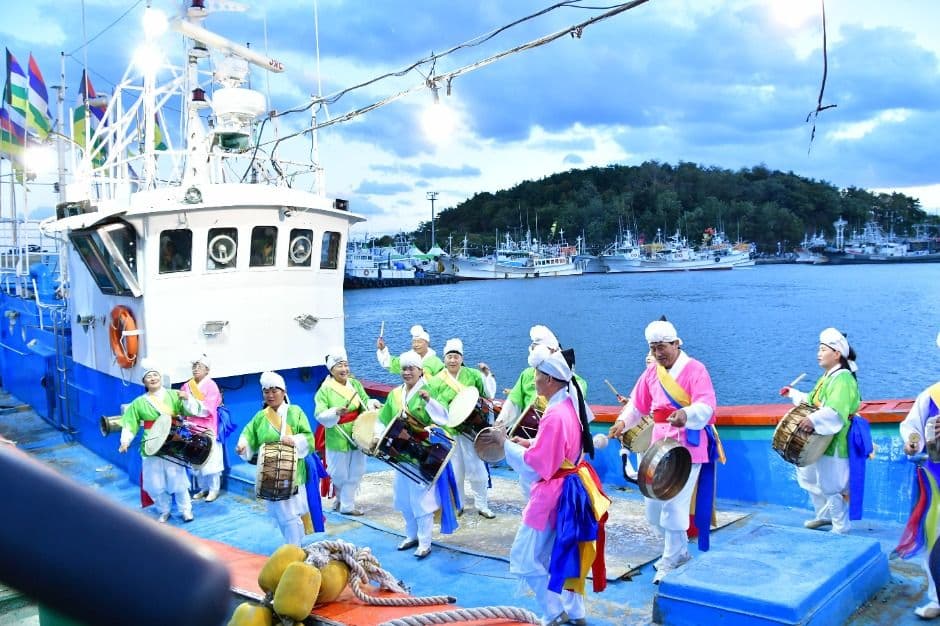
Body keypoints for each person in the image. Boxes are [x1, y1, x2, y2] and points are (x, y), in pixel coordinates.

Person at [504, 345, 609, 626]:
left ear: (549, 379)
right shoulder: (568, 406)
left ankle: (553, 611)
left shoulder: (553, 415)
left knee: (524, 557)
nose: (533, 379)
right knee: (561, 552)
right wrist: (530, 442)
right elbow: (559, 451)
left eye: (536, 375)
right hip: (571, 488)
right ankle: (575, 612)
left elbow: (538, 465)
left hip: (551, 495)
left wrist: (505, 446)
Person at [608, 319, 717, 584]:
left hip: (688, 449)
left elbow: (707, 406)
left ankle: (670, 559)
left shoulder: (695, 370)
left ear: (676, 344)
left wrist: (686, 414)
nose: (658, 353)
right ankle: (679, 552)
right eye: (653, 348)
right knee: (653, 507)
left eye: (663, 347)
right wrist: (623, 422)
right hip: (660, 449)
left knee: (673, 505)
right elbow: (637, 404)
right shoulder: (651, 373)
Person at [373, 350, 459, 559]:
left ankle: (425, 541)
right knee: (402, 496)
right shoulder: (395, 394)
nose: (407, 372)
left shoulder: (429, 391)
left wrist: (430, 401)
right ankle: (411, 535)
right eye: (404, 368)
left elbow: (444, 418)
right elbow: (383, 419)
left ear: (420, 371)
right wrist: (377, 435)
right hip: (399, 454)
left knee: (422, 499)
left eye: (411, 368)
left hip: (423, 453)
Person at [779, 327, 862, 536]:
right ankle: (824, 515)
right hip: (823, 437)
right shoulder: (828, 377)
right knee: (812, 478)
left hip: (837, 440)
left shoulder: (842, 379)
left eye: (823, 349)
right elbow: (812, 401)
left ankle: (841, 526)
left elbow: (835, 411)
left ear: (837, 354)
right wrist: (794, 394)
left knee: (833, 484)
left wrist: (813, 420)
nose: (819, 353)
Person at [235, 371, 319, 545]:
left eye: (275, 390)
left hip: (292, 471)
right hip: (270, 472)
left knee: (290, 513)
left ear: (284, 391)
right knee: (281, 514)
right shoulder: (260, 416)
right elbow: (248, 434)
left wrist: (295, 440)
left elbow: (309, 438)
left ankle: (295, 548)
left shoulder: (295, 412)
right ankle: (294, 545)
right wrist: (243, 446)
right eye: (266, 391)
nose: (270, 395)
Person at [118, 361, 200, 523]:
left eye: (155, 375)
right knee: (155, 480)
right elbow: (130, 424)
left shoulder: (174, 394)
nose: (153, 378)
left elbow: (193, 411)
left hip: (174, 441)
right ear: (144, 381)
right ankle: (164, 510)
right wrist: (125, 441)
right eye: (149, 376)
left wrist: (187, 399)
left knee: (178, 479)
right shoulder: (139, 403)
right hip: (151, 444)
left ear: (160, 377)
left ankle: (186, 510)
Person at [426, 338, 497, 518]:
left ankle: (482, 505)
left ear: (461, 358)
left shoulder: (472, 375)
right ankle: (459, 504)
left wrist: (488, 375)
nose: (452, 360)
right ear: (444, 359)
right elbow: (431, 406)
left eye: (456, 356)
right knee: (456, 470)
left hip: (471, 430)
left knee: (478, 469)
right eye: (449, 356)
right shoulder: (435, 381)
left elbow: (487, 395)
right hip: (451, 432)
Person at [899, 331, 940, 620]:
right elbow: (911, 425)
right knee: (934, 536)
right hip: (937, 481)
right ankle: (937, 596)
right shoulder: (932, 395)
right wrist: (914, 439)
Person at [314, 347, 382, 515]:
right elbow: (319, 414)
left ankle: (347, 506)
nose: (344, 369)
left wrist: (373, 404)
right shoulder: (325, 390)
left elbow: (365, 401)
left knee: (356, 470)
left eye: (345, 365)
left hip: (358, 431)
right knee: (339, 472)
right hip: (337, 433)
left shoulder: (355, 384)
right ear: (331, 369)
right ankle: (340, 499)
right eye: (339, 366)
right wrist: (335, 412)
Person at [498, 325, 588, 428]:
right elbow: (513, 404)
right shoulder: (527, 375)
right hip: (530, 431)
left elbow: (574, 401)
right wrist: (499, 424)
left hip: (558, 429)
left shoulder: (574, 381)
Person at [178, 353, 223, 502]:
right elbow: (182, 406)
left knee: (211, 460)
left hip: (207, 428)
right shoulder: (187, 385)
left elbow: (207, 409)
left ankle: (214, 489)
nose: (196, 369)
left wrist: (189, 399)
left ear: (207, 370)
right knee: (196, 459)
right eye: (194, 366)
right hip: (192, 428)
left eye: (199, 366)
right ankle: (203, 488)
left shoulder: (211, 386)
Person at [376, 324, 444, 378]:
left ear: (427, 343)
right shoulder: (407, 358)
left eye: (419, 342)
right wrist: (382, 349)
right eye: (414, 342)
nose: (416, 345)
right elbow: (389, 363)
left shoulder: (436, 362)